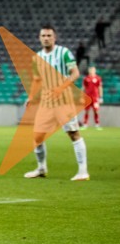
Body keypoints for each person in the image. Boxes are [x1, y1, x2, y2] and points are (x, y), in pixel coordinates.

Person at [24, 26, 89, 181]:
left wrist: (60, 88)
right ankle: (41, 168)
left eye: (49, 35)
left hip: (64, 100)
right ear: (39, 37)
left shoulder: (63, 53)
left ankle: (83, 171)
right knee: (37, 136)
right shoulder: (37, 57)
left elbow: (75, 73)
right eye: (43, 35)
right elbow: (37, 79)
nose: (46, 38)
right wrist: (31, 97)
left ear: (55, 37)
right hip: (46, 102)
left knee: (73, 133)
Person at [81, 66, 103, 130]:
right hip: (87, 97)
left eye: (93, 70)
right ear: (89, 71)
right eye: (90, 70)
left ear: (95, 71)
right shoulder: (86, 78)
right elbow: (83, 87)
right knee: (86, 111)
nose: (91, 71)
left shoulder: (98, 78)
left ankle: (97, 124)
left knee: (96, 111)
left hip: (95, 97)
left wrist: (101, 97)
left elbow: (100, 87)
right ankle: (85, 124)